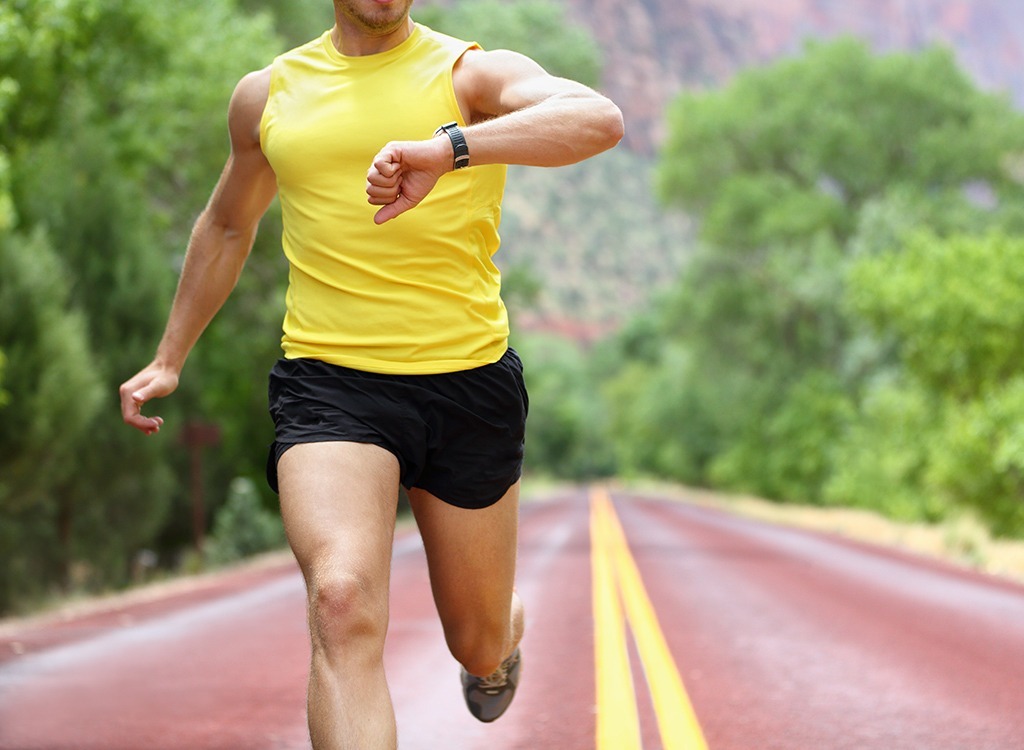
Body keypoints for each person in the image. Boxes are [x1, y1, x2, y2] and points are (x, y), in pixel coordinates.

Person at [119, 0, 623, 747]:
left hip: (467, 380)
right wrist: (169, 355)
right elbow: (229, 222)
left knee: (476, 642)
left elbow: (598, 119)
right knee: (341, 600)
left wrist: (451, 148)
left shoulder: (470, 73)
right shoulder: (270, 93)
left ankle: (501, 635)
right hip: (331, 383)